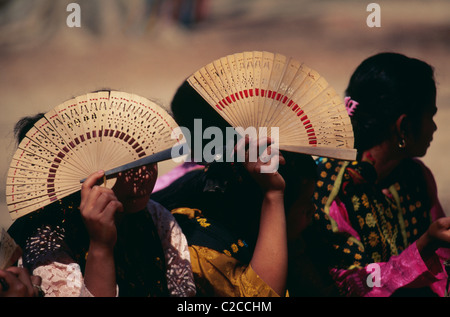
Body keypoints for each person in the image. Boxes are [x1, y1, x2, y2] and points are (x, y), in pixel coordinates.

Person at [296, 52, 450, 296]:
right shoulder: (328, 189)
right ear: (404, 126)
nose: (434, 127)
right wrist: (424, 247)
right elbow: (353, 285)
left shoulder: (416, 176)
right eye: (430, 115)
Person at [151, 80, 318, 297]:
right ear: (264, 208)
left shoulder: (219, 187)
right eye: (305, 205)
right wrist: (273, 195)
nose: (315, 212)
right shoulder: (203, 247)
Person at [8, 109, 196, 297]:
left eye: (150, 157)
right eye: (129, 165)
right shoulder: (46, 240)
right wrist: (100, 245)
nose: (145, 174)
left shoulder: (156, 217)